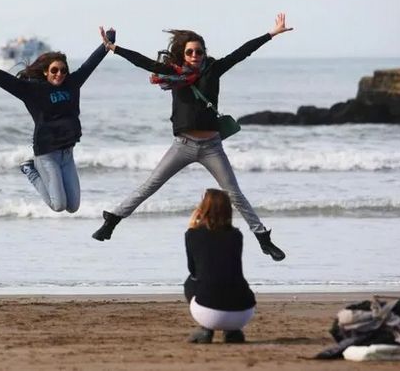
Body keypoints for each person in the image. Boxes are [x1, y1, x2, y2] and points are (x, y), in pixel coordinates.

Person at [92, 14, 293, 262]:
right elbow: (143, 62)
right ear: (182, 54)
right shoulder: (172, 73)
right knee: (150, 185)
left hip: (211, 147)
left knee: (234, 194)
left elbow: (242, 53)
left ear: (203, 52)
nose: (195, 56)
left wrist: (271, 34)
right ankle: (112, 221)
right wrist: (114, 49)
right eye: (190, 52)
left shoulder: (213, 69)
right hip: (183, 145)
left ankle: (264, 240)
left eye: (198, 52)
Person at [0, 28, 115, 212]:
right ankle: (30, 169)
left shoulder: (72, 83)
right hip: (46, 154)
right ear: (46, 72)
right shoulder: (33, 90)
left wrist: (108, 42)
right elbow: (6, 81)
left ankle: (36, 170)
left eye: (63, 70)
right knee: (58, 205)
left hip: (67, 154)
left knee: (73, 207)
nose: (59, 74)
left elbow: (90, 64)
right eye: (54, 70)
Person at [183, 189, 256, 343]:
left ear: (203, 209)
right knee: (227, 274)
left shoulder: (192, 235)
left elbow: (194, 270)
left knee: (190, 282)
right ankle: (232, 331)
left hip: (209, 313)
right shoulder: (236, 235)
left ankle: (206, 329)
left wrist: (192, 228)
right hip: (243, 311)